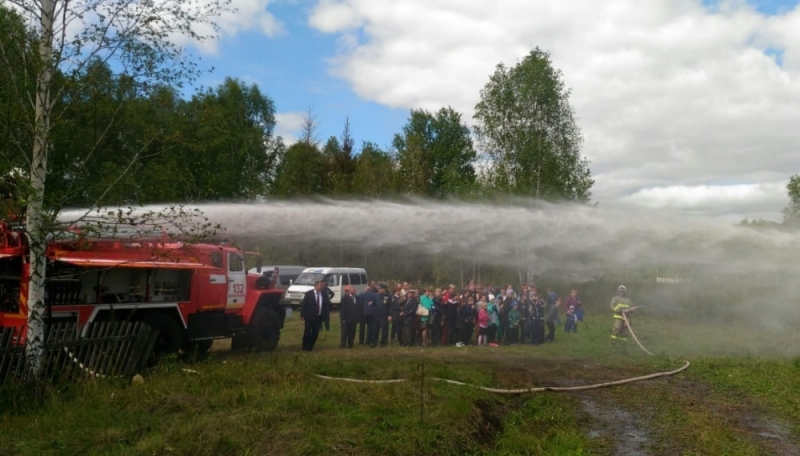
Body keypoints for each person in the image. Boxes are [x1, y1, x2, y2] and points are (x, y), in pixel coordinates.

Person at [300, 280, 331, 351]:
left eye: (322, 286)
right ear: (315, 286)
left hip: (318, 317)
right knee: (307, 332)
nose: (321, 288)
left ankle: (310, 346)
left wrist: (325, 315)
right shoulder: (309, 294)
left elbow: (326, 305)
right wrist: (302, 315)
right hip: (309, 316)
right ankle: (305, 346)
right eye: (320, 286)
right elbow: (304, 305)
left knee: (315, 333)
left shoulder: (324, 294)